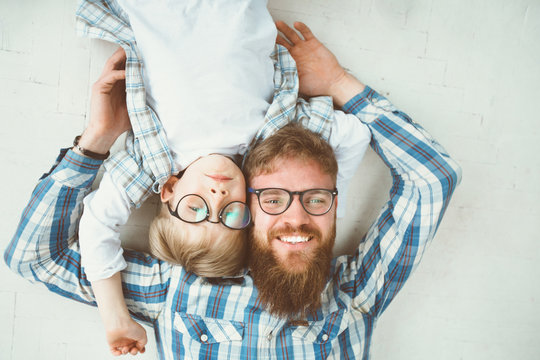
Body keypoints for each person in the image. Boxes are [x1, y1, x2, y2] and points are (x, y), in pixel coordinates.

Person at [5, 18, 462, 360]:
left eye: (316, 201)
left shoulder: (356, 291)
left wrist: (95, 146)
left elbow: (33, 259)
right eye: (277, 200)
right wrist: (338, 84)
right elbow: (34, 261)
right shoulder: (178, 287)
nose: (297, 218)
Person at [75, 0, 371, 355]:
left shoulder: (155, 161)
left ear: (170, 190)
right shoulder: (271, 142)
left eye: (196, 208)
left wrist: (116, 318)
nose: (216, 194)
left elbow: (97, 226)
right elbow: (354, 134)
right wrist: (320, 202)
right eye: (231, 214)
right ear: (251, 202)